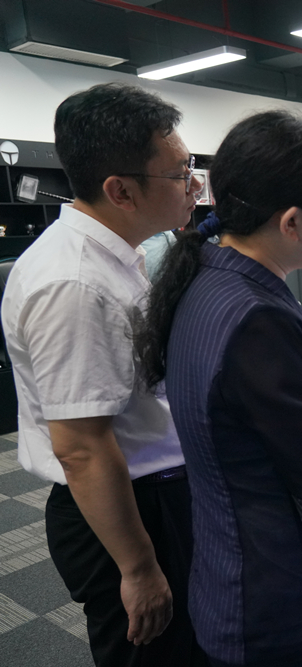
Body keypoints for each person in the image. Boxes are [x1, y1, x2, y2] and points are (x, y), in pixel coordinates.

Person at [132, 110, 302, 667]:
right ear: (291, 223)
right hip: (297, 609)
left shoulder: (206, 279)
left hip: (238, 581)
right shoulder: (259, 322)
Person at [0, 82, 207, 666]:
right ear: (121, 191)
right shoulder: (74, 283)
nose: (194, 185)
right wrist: (138, 568)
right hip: (127, 515)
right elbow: (82, 449)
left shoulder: (121, 254)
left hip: (153, 496)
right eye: (180, 173)